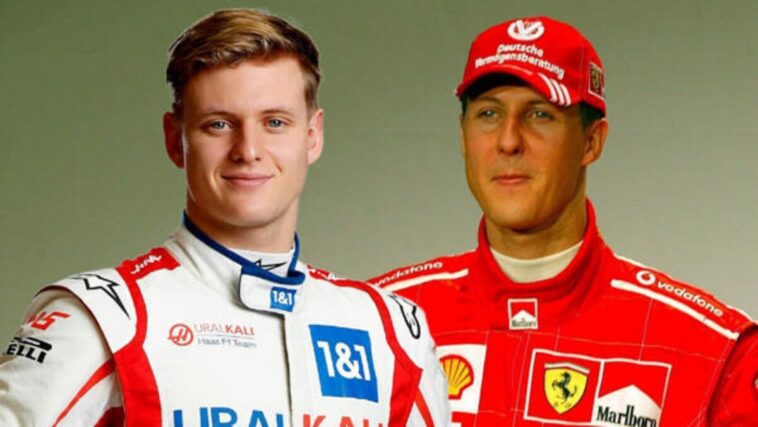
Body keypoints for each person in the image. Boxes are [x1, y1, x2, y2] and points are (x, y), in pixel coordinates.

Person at [0, 9, 449, 426]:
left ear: (313, 136)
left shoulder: (390, 330)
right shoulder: (106, 320)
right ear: (175, 140)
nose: (248, 150)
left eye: (275, 122)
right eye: (218, 124)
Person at [369, 16, 757, 426]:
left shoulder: (714, 354)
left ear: (592, 142)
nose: (508, 141)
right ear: (463, 136)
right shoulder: (377, 322)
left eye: (540, 114)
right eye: (488, 113)